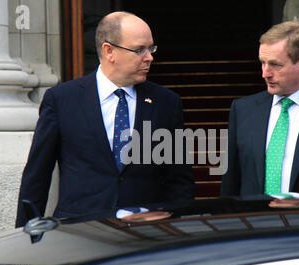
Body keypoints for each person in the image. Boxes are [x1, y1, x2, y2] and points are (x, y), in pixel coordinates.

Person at [15, 11, 195, 227]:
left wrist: (178, 228)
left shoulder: (166, 103)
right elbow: (37, 176)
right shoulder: (62, 100)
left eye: (151, 48)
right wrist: (26, 237)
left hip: (146, 236)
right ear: (109, 51)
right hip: (80, 233)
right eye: (139, 50)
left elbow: (179, 179)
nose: (150, 57)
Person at [221, 20, 299, 198]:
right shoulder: (243, 110)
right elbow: (230, 186)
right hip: (253, 223)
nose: (265, 73)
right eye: (263, 63)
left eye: (276, 65)